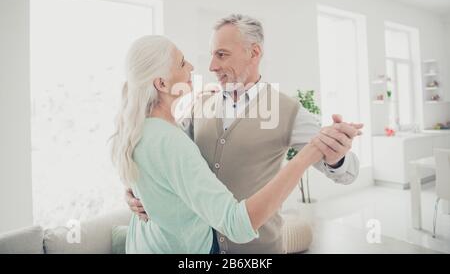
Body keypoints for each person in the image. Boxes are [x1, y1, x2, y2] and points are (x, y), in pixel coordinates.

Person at [126, 14, 364, 253]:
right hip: (204, 248)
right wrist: (137, 195)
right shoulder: (200, 103)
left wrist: (337, 156)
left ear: (254, 53)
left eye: (222, 54)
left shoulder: (287, 110)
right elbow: (168, 161)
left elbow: (348, 173)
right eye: (212, 55)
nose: (212, 66)